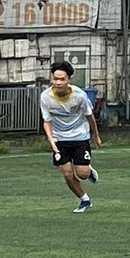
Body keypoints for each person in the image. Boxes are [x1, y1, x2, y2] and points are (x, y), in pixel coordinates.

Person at [40, 61, 101, 213]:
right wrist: (51, 139)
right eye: (55, 79)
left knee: (82, 174)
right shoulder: (45, 97)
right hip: (60, 139)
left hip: (80, 136)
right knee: (67, 174)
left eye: (62, 79)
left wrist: (96, 136)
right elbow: (46, 121)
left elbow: (90, 117)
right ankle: (84, 199)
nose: (58, 83)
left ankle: (88, 169)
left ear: (69, 80)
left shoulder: (80, 95)